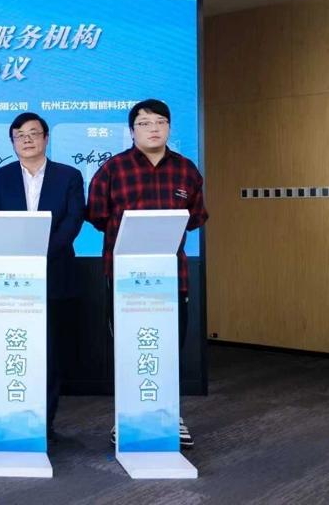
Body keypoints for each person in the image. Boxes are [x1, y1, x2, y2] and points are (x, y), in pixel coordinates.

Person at [86, 99, 208, 449]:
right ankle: (126, 416)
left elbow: (196, 217)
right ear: (132, 130)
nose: (153, 128)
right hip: (125, 279)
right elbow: (96, 215)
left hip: (172, 278)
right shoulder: (113, 169)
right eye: (144, 123)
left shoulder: (186, 170)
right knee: (129, 348)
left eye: (160, 122)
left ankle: (170, 414)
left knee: (168, 347)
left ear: (169, 127)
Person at [0, 112, 84, 440]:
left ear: (46, 138)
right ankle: (13, 414)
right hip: (12, 277)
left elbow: (73, 221)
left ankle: (45, 420)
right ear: (13, 142)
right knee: (16, 347)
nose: (27, 140)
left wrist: (42, 253)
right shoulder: (1, 176)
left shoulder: (68, 175)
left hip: (55, 273)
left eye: (33, 133)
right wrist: (20, 256)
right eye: (20, 135)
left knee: (50, 352)